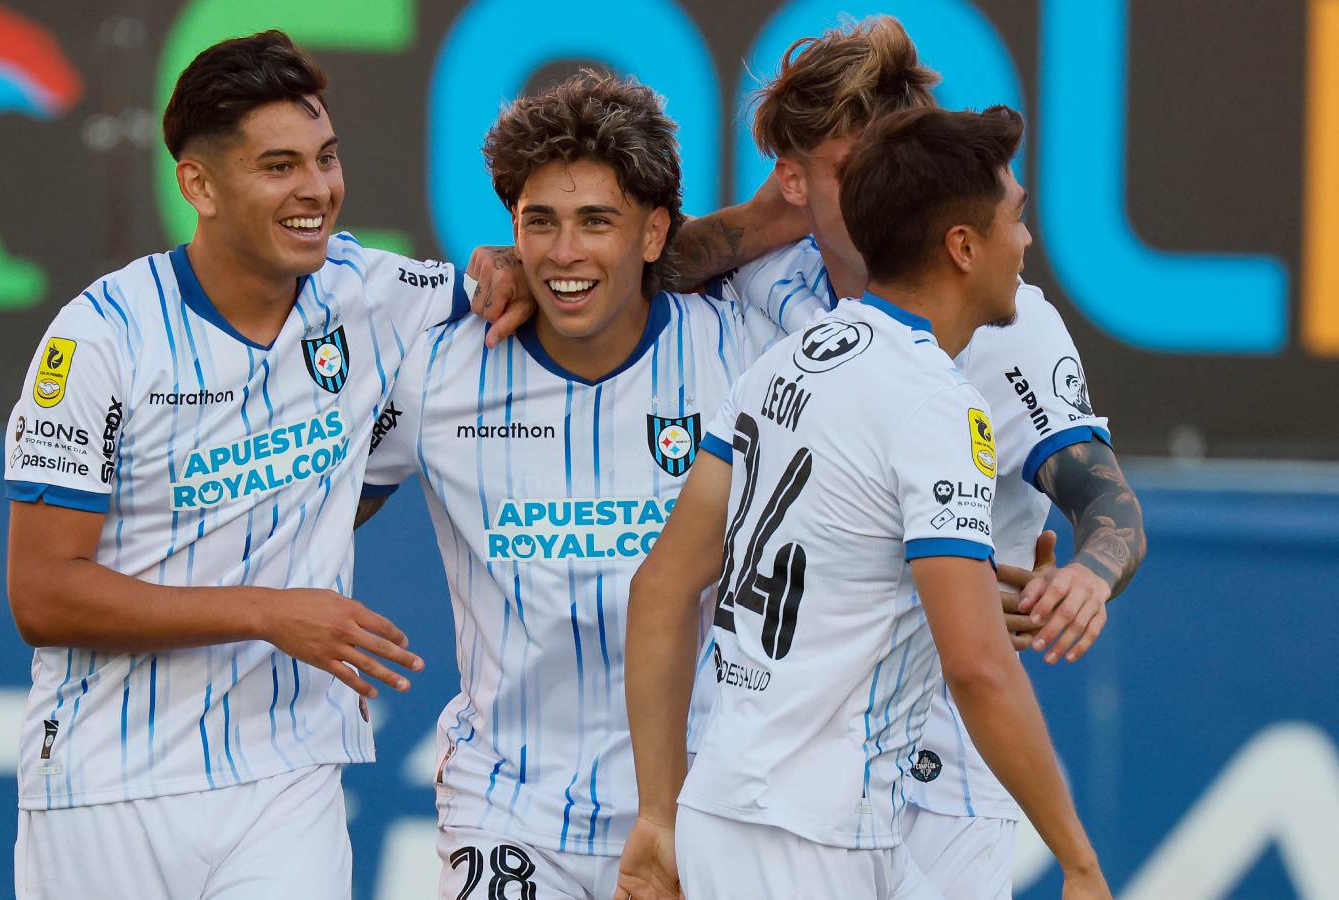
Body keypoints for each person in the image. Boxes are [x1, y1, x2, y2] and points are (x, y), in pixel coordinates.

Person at [4, 30, 476, 898]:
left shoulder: (375, 294)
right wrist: (269, 611)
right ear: (199, 184)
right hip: (107, 780)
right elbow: (41, 594)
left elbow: (570, 275)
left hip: (287, 772)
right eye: (279, 166)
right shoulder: (101, 335)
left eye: (327, 159)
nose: (317, 191)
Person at [680, 19, 1146, 897]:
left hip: (949, 766)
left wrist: (1087, 575)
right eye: (845, 171)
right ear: (791, 182)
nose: (874, 193)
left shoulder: (1014, 327)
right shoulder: (764, 283)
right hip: (787, 770)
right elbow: (607, 269)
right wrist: (516, 260)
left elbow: (1103, 494)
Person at [358, 72, 746, 899]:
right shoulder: (437, 370)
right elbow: (306, 514)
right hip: (508, 808)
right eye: (540, 223)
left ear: (654, 235)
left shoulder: (740, 355)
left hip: (700, 805)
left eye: (595, 223)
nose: (564, 254)